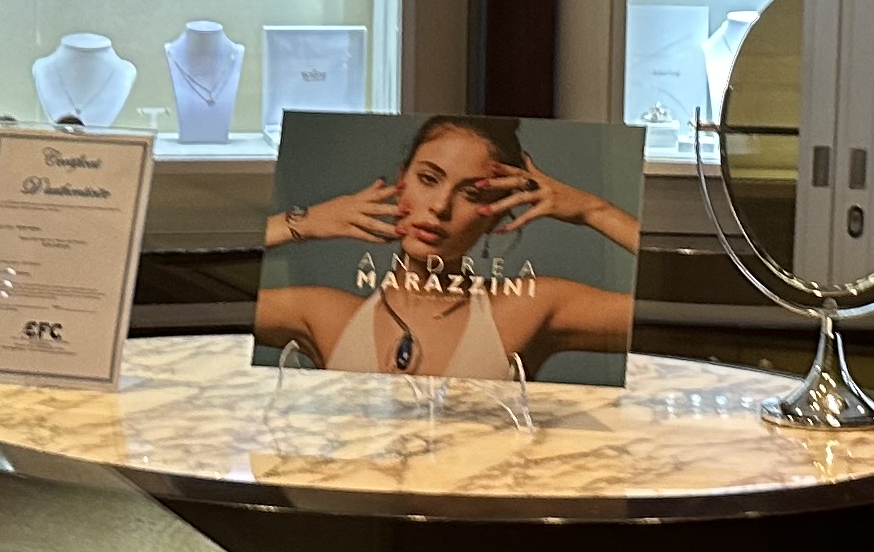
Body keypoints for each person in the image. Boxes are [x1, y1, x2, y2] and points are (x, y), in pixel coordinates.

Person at [254, 113, 637, 378]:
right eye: (428, 179)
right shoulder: (325, 314)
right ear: (402, 180)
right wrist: (301, 222)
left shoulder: (526, 310)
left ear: (494, 216)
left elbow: (669, 315)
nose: (440, 207)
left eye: (471, 193)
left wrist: (594, 210)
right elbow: (216, 306)